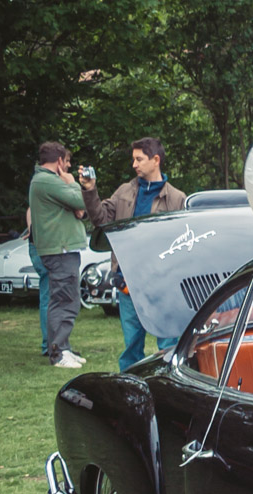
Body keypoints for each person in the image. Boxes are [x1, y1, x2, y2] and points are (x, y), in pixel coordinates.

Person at [79, 137, 186, 371]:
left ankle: (168, 386)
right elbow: (100, 219)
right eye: (133, 159)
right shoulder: (124, 192)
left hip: (162, 285)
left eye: (139, 159)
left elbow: (185, 244)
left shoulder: (177, 198)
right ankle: (130, 389)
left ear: (155, 160)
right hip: (128, 283)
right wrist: (90, 190)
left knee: (168, 345)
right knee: (131, 347)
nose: (134, 165)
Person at [28, 142, 88, 368]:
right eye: (68, 161)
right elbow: (82, 201)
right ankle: (59, 353)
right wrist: (72, 184)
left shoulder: (45, 181)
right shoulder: (47, 180)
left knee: (67, 300)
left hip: (62, 249)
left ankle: (64, 347)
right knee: (63, 301)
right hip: (59, 250)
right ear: (59, 161)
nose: (69, 166)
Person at [25, 207, 50, 356]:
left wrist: (30, 229)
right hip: (44, 246)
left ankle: (50, 344)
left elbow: (30, 208)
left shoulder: (38, 191)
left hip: (36, 243)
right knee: (50, 295)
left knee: (47, 294)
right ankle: (50, 345)